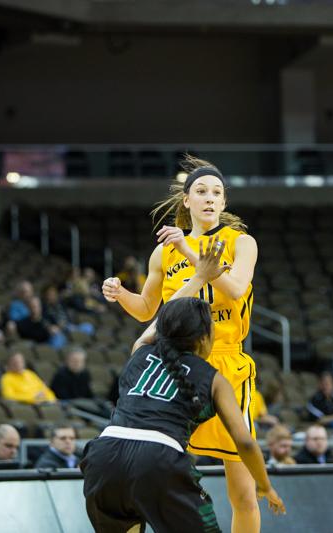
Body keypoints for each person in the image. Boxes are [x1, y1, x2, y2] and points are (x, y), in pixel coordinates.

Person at [101, 156, 267, 531]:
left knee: (243, 493)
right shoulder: (164, 252)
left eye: (217, 193)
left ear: (224, 204)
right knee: (148, 474)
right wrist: (120, 293)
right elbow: (147, 310)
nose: (210, 198)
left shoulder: (241, 242)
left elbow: (237, 289)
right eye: (202, 191)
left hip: (225, 367)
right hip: (175, 370)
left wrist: (192, 253)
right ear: (187, 202)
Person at [82, 263, 284, 533]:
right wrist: (264, 484)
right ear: (204, 338)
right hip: (157, 460)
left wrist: (199, 277)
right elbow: (245, 443)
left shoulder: (140, 350)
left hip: (103, 456)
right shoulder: (213, 378)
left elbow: (162, 320)